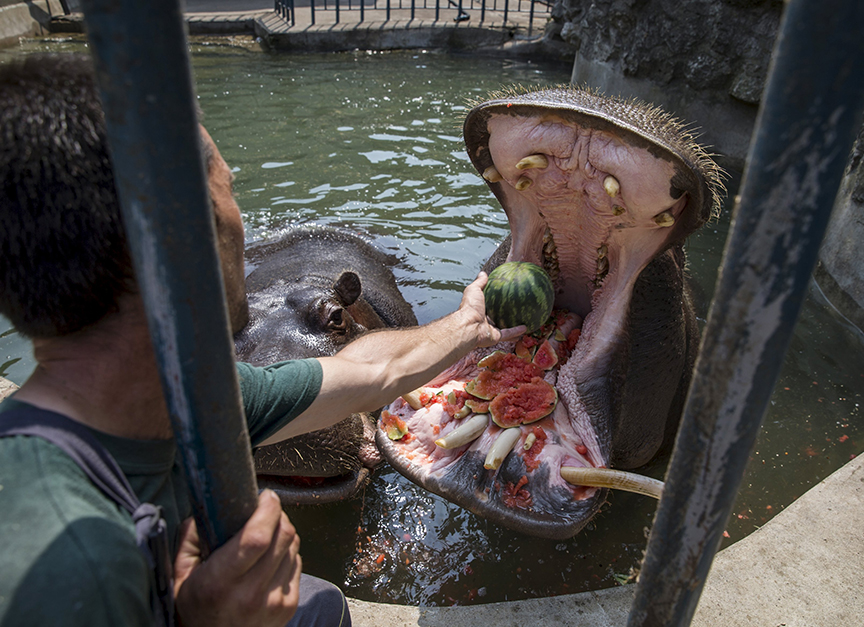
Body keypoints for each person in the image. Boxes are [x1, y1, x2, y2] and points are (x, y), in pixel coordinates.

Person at [0, 53, 522, 626]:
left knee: (321, 605)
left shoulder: (184, 400)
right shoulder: (60, 560)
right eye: (229, 189)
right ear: (186, 226)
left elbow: (369, 374)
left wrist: (467, 324)